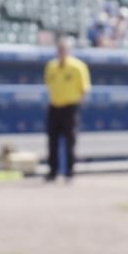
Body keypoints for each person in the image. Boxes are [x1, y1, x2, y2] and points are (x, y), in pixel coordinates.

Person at [42, 36, 89, 183]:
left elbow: (84, 89)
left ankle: (69, 172)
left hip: (70, 108)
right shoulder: (51, 66)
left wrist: (76, 105)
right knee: (52, 141)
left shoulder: (78, 66)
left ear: (68, 50)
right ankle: (53, 172)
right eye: (59, 49)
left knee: (70, 141)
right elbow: (48, 84)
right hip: (54, 106)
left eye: (63, 49)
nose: (61, 52)